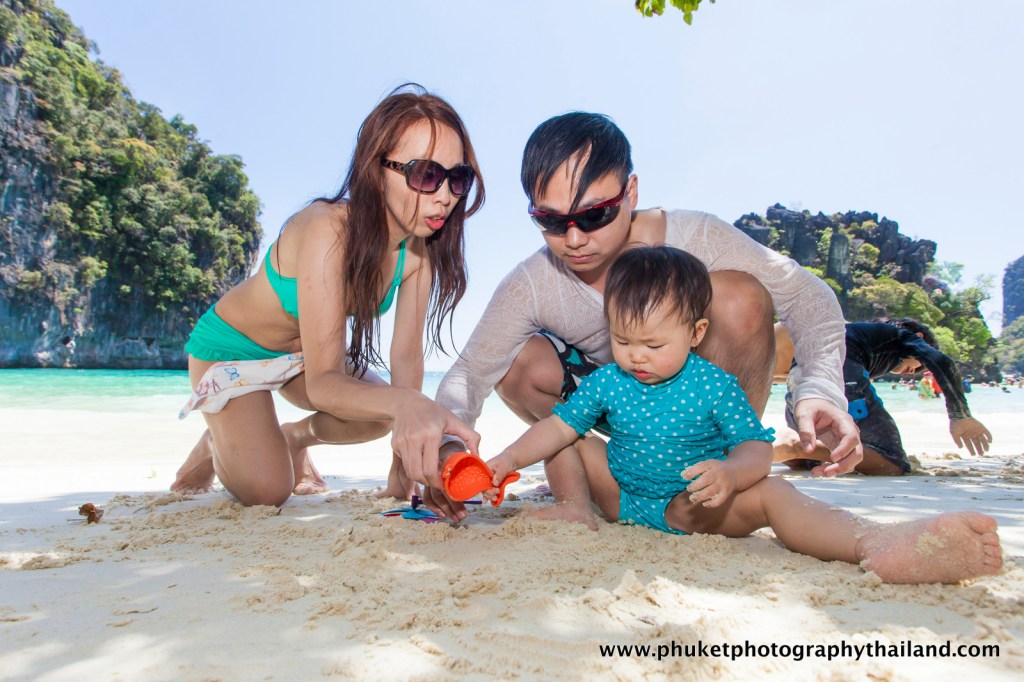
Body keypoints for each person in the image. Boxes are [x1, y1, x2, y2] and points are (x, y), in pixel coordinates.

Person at [424, 112, 861, 527]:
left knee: (739, 296)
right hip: (613, 405)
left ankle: (733, 463)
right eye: (551, 221)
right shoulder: (533, 283)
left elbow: (808, 296)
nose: (573, 239)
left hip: (703, 404)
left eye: (594, 215)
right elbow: (470, 373)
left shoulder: (698, 235)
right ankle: (581, 479)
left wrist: (820, 390)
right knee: (518, 362)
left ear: (630, 192)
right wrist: (448, 450)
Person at [484, 246, 1002, 584]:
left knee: (775, 492)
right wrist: (506, 460)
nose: (635, 356)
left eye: (653, 344)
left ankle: (875, 542)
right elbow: (555, 428)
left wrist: (731, 474)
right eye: (622, 340)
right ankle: (575, 507)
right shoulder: (608, 381)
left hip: (692, 505)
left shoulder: (714, 385)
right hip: (619, 496)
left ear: (696, 333)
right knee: (569, 433)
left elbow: (754, 449)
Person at [172, 85, 483, 506]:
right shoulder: (326, 229)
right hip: (231, 353)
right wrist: (408, 404)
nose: (445, 196)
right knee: (268, 493)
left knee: (378, 413)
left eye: (457, 178)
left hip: (307, 355)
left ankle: (293, 438)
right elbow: (323, 386)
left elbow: (407, 362)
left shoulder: (417, 256)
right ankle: (217, 442)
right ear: (376, 170)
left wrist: (403, 475)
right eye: (425, 175)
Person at [773, 319, 993, 475]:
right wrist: (960, 415)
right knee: (892, 461)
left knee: (812, 460)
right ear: (919, 339)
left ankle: (789, 446)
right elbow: (943, 361)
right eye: (920, 366)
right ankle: (796, 444)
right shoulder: (901, 337)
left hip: (802, 376)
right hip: (837, 367)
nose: (913, 372)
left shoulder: (861, 337)